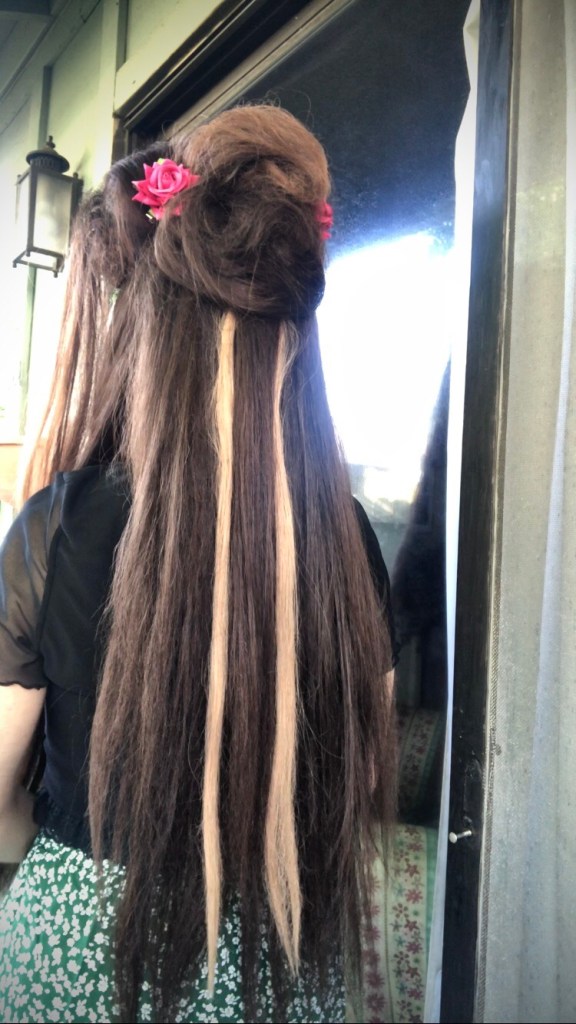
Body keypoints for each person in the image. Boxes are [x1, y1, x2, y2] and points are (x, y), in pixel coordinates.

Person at [0, 105, 397, 1024]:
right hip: (285, 962)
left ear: (152, 324)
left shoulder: (57, 529)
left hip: (72, 955)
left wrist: (37, 831)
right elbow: (363, 783)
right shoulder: (347, 542)